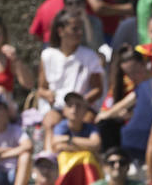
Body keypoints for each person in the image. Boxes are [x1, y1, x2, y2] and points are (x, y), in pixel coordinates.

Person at [37, 10, 104, 141]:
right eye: (75, 29)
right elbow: (41, 89)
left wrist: (81, 103)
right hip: (57, 107)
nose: (79, 33)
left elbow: (98, 89)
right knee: (50, 122)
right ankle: (49, 158)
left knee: (86, 121)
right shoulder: (48, 55)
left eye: (80, 29)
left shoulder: (90, 56)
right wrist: (48, 95)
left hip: (81, 108)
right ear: (61, 31)